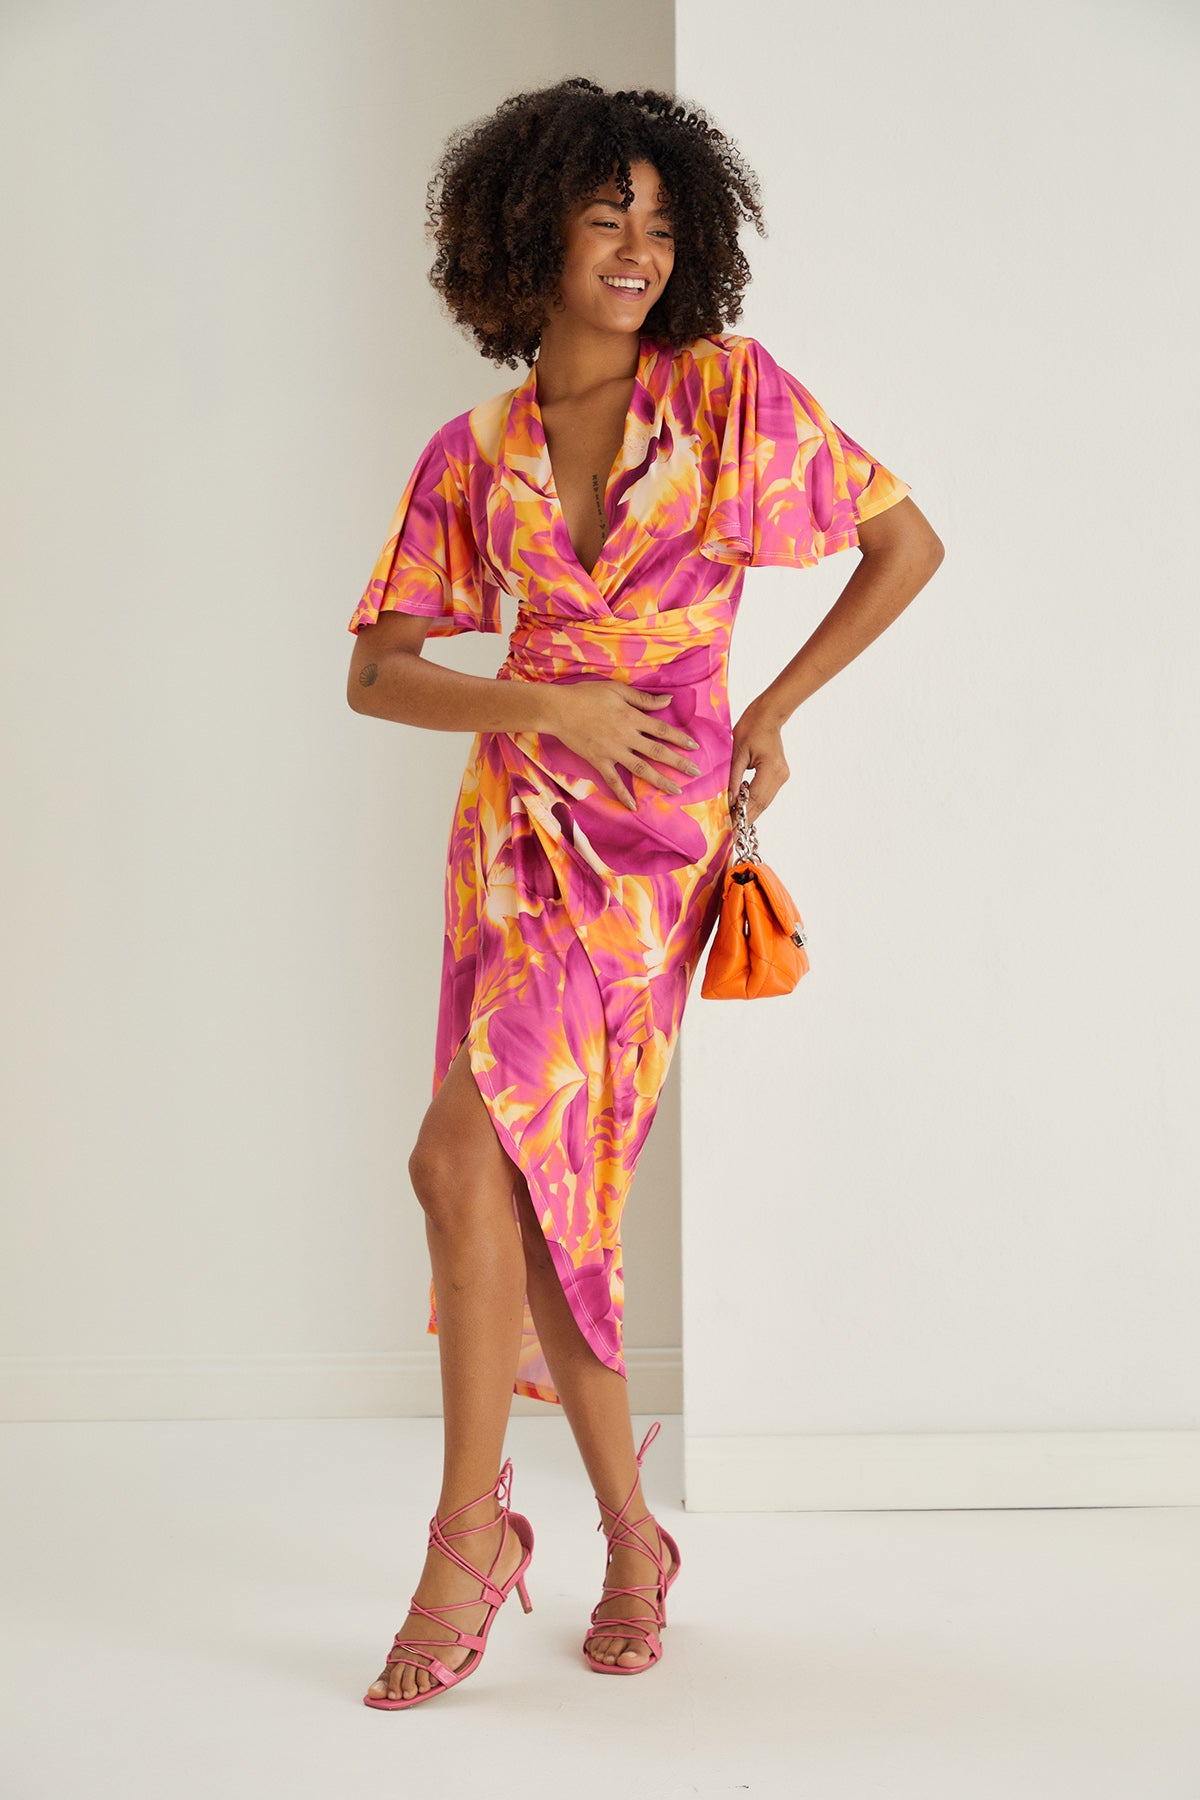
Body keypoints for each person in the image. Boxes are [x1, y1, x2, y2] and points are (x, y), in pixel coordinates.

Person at [347, 78, 944, 1711]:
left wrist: (769, 715)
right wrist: (541, 703)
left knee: (472, 1159)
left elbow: (906, 547)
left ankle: (472, 1541)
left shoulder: (732, 396)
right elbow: (381, 675)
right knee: (515, 1186)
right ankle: (616, 1534)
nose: (637, 248)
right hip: (514, 835)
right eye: (606, 214)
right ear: (526, 231)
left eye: (664, 224)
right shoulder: (469, 456)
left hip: (655, 844)